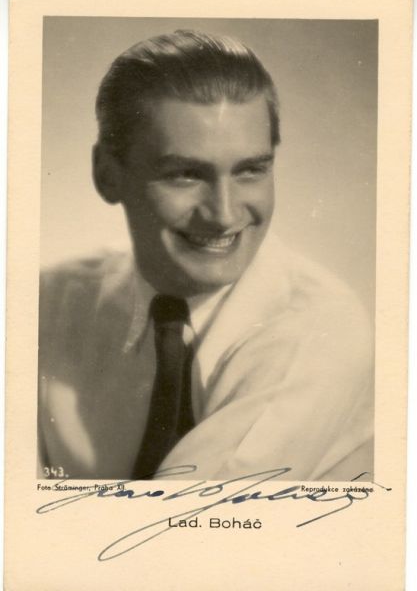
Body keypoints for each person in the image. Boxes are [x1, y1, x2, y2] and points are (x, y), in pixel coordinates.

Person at [38, 29, 374, 481]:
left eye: (251, 171)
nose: (224, 215)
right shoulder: (48, 301)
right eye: (186, 174)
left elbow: (184, 520)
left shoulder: (320, 330)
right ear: (107, 175)